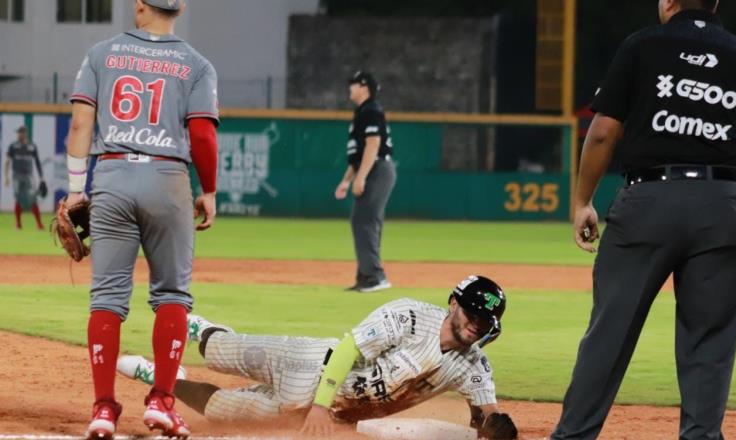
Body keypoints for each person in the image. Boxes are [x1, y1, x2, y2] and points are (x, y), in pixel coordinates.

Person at [553, 1, 736, 439]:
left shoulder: (642, 46)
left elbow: (603, 130)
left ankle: (573, 436)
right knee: (711, 343)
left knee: (610, 331)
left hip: (649, 199)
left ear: (668, 1)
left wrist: (582, 200)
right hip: (726, 203)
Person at [65, 0, 219, 438]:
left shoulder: (102, 53)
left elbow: (80, 125)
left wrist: (78, 189)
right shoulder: (196, 64)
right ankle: (162, 403)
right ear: (180, 9)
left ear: (139, 6)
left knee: (107, 298)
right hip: (169, 179)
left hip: (112, 175)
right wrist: (207, 190)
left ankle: (102, 410)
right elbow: (203, 134)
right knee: (172, 294)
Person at [117, 275, 518, 439]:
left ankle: (163, 379)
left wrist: (494, 427)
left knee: (223, 410)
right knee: (222, 352)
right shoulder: (409, 317)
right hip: (307, 362)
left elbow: (487, 413)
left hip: (321, 409)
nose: (476, 327)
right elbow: (347, 350)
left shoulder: (473, 365)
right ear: (453, 304)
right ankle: (200, 328)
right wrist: (321, 409)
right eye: (473, 315)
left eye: (485, 324)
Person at [334, 71, 397, 292]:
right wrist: (346, 181)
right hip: (371, 167)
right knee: (364, 220)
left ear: (364, 87)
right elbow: (358, 155)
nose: (350, 87)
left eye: (353, 84)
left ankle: (375, 277)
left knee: (364, 221)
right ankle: (366, 276)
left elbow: (373, 145)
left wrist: (360, 178)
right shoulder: (363, 111)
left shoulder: (371, 109)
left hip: (377, 168)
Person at [3, 126, 46, 230]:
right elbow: (7, 161)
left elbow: (37, 162)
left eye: (20, 132)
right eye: (18, 133)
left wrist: (41, 177)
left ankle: (39, 224)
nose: (18, 134)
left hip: (29, 176)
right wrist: (6, 177)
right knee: (18, 197)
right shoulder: (13, 146)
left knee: (33, 198)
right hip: (17, 176)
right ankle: (18, 223)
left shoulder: (32, 146)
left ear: (25, 133)